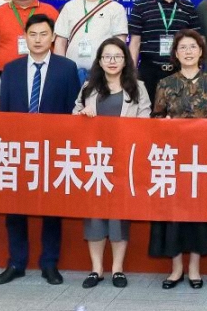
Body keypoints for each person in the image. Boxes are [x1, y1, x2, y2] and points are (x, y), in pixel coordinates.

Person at [0, 14, 81, 286]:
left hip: (53, 150)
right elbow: (4, 112)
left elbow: (72, 111)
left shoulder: (67, 68)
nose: (38, 39)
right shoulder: (11, 69)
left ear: (53, 37)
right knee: (15, 209)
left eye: (44, 34)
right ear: (25, 37)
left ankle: (49, 264)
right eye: (33, 34)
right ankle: (16, 262)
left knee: (51, 210)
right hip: (18, 150)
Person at [150, 29, 207, 289]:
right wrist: (163, 124)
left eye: (193, 46)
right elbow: (156, 118)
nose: (188, 51)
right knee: (173, 214)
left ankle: (194, 268)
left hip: (202, 159)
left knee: (198, 213)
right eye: (183, 47)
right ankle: (176, 269)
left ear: (201, 51)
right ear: (175, 53)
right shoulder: (165, 84)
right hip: (172, 159)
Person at [74, 38, 148, 289]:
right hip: (94, 161)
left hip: (123, 160)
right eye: (107, 56)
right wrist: (82, 116)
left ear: (126, 60)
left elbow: (146, 121)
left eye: (118, 56)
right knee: (94, 215)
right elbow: (73, 117)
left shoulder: (138, 87)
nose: (112, 61)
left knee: (118, 216)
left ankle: (117, 269)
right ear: (100, 60)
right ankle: (96, 269)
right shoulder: (89, 87)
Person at [128, 0, 202, 101]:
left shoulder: (188, 8)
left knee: (180, 112)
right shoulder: (141, 6)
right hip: (149, 72)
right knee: (147, 112)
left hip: (180, 72)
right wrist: (131, 73)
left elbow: (197, 43)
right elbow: (135, 43)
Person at [56, 0, 129, 73]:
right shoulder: (69, 7)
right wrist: (61, 71)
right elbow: (60, 42)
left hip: (103, 74)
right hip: (71, 73)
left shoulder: (116, 8)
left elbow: (119, 45)